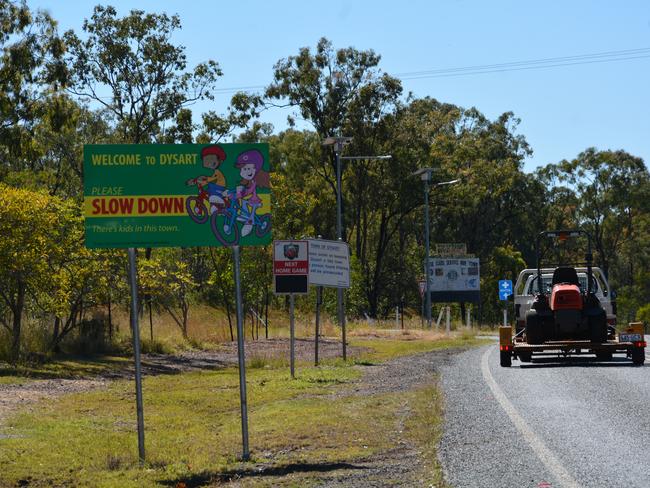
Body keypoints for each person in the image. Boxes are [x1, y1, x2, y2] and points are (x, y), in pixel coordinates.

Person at [234, 149, 269, 236]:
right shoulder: (248, 182)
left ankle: (249, 223)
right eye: (244, 169)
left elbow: (248, 191)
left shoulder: (254, 182)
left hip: (255, 201)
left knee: (250, 215)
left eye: (249, 168)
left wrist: (238, 195)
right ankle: (244, 216)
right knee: (244, 202)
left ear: (255, 169)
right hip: (249, 200)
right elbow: (244, 191)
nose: (246, 171)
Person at [186, 145, 227, 215]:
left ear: (219, 160)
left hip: (218, 188)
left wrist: (205, 180)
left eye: (212, 160)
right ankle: (199, 208)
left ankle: (219, 206)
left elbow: (213, 179)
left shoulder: (217, 172)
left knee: (213, 196)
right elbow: (204, 179)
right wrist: (194, 181)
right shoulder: (211, 172)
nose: (209, 162)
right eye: (206, 160)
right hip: (211, 187)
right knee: (202, 194)